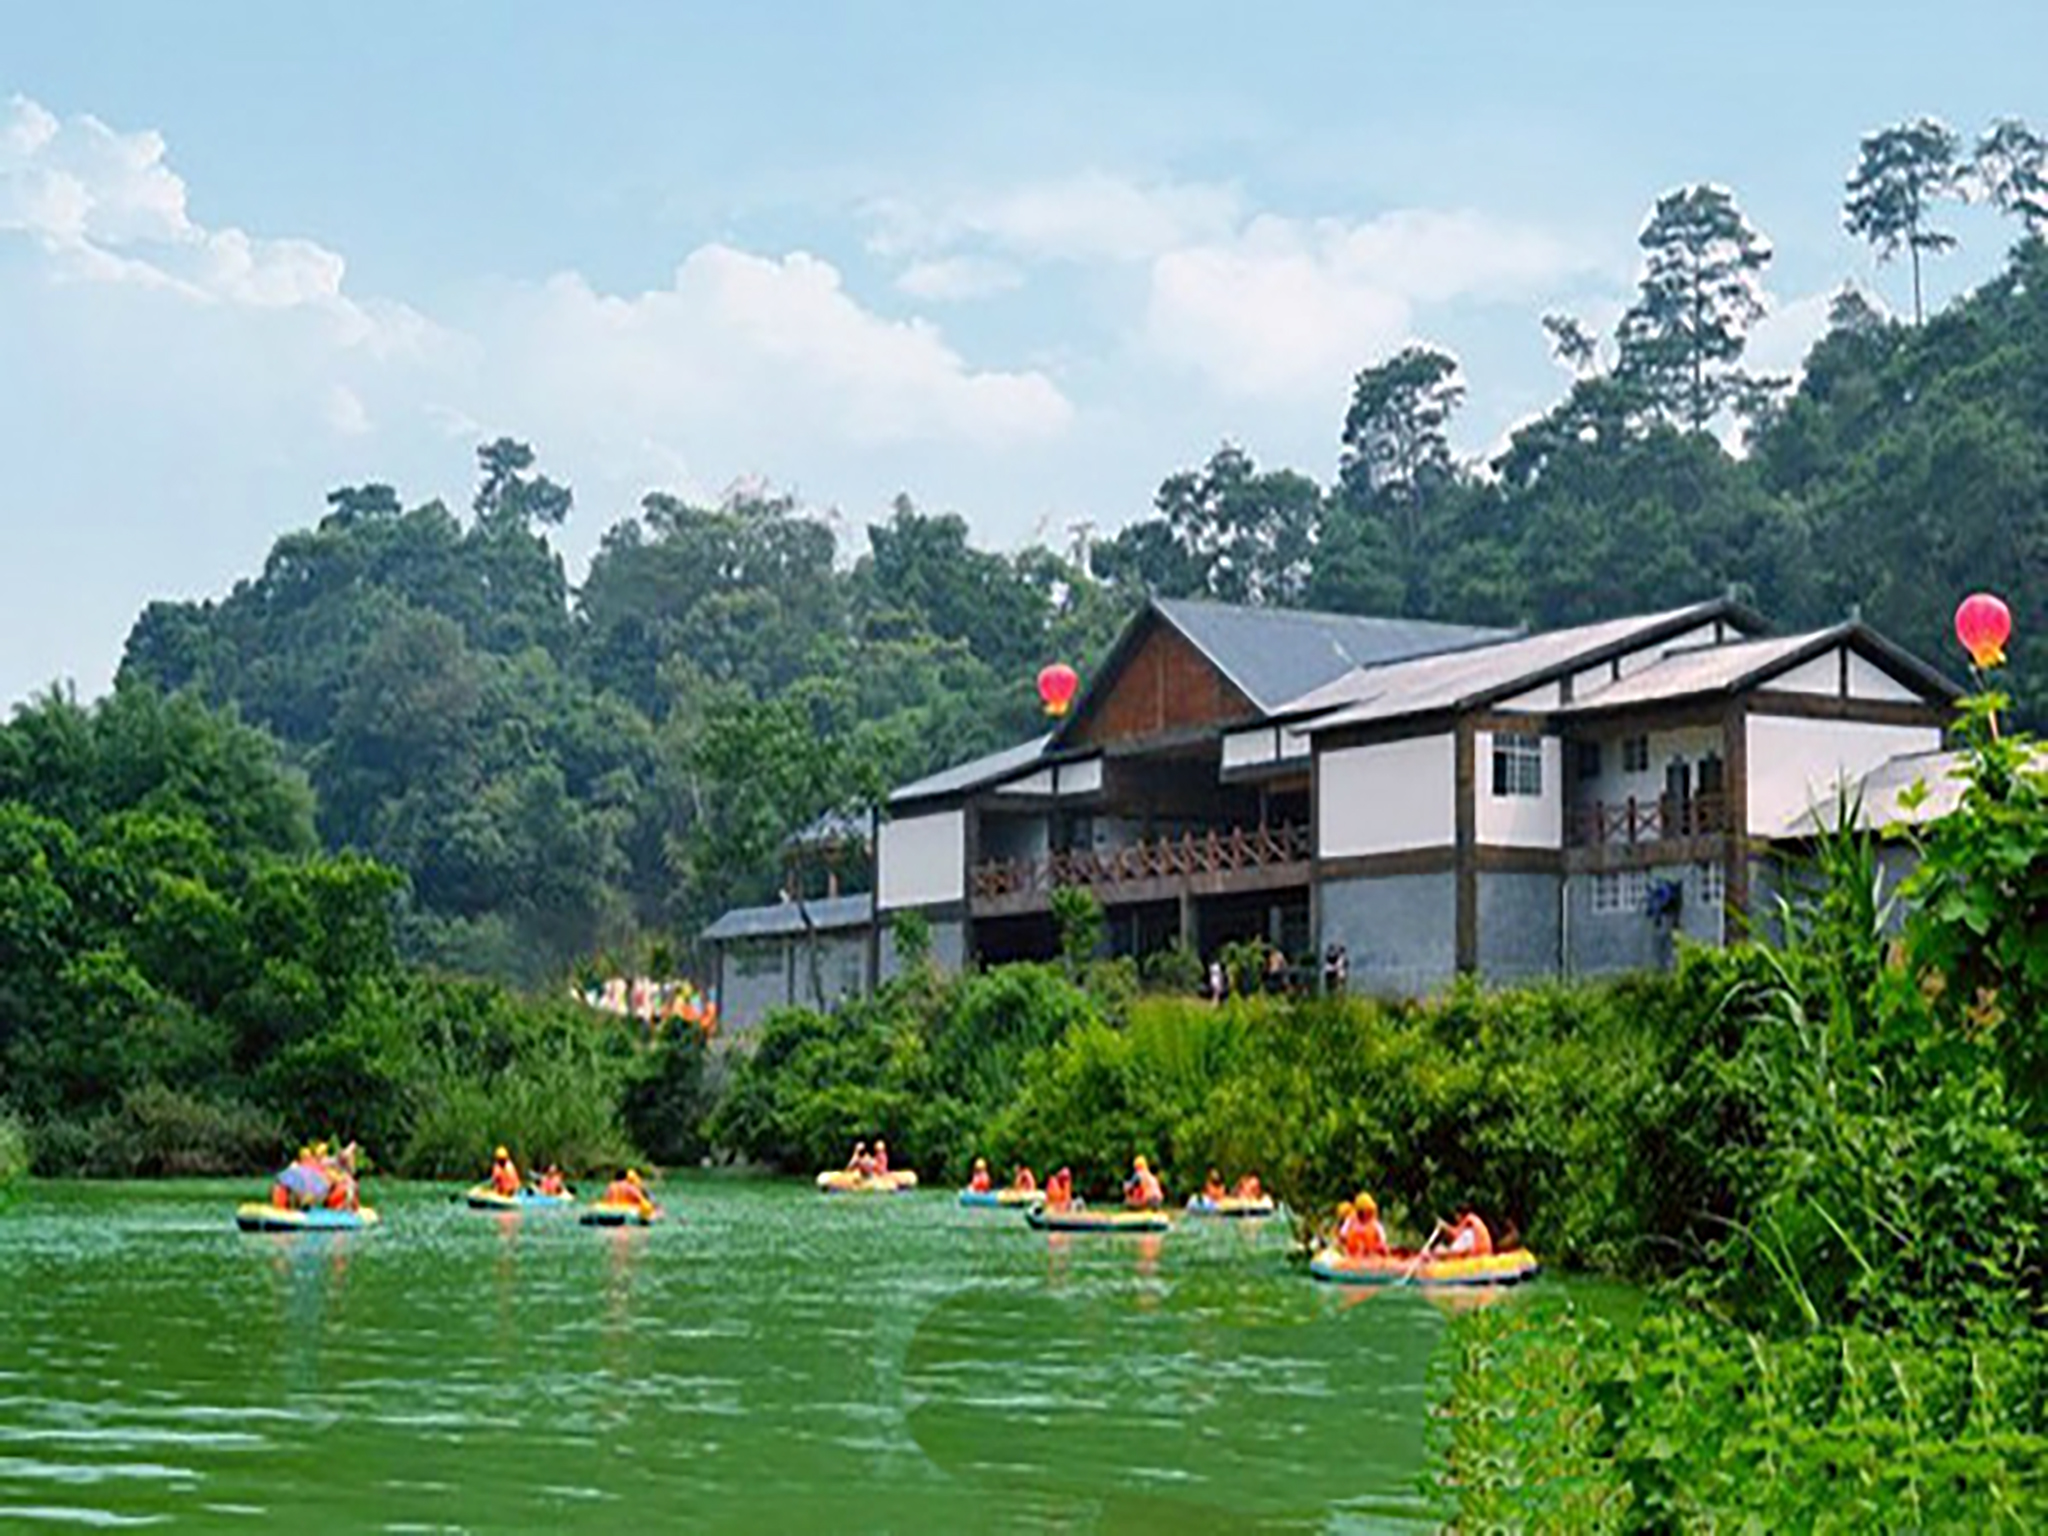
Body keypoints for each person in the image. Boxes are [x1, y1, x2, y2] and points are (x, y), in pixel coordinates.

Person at [1340, 1193, 1389, 1259]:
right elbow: (1342, 1238)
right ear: (1359, 1211)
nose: (1369, 1213)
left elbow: (1383, 1243)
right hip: (1351, 1259)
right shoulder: (1350, 1221)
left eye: (1370, 1210)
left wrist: (1380, 1248)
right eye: (1367, 1210)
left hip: (1371, 1260)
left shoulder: (1376, 1224)